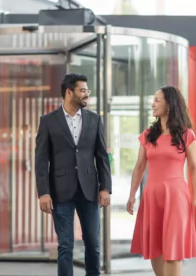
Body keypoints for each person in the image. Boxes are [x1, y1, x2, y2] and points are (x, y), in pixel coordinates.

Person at [35, 73, 112, 276]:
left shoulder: (95, 120)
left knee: (93, 244)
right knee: (65, 246)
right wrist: (43, 192)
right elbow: (41, 160)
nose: (87, 94)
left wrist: (105, 187)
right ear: (69, 92)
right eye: (83, 90)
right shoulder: (48, 121)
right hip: (60, 192)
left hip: (89, 190)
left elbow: (102, 156)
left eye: (87, 90)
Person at [126, 86, 196, 276]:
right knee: (155, 250)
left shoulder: (187, 135)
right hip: (152, 196)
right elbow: (139, 166)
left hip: (176, 197)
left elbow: (194, 167)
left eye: (157, 100)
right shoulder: (147, 135)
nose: (152, 104)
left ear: (169, 105)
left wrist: (195, 198)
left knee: (173, 251)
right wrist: (132, 195)